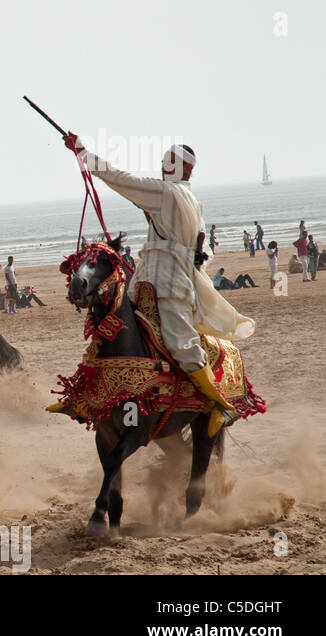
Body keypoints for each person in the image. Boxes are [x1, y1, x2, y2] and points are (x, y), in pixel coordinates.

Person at [63, 136, 254, 434]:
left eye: (171, 161)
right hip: (145, 280)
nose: (165, 165)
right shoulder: (188, 201)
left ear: (187, 170)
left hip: (169, 284)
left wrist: (84, 154)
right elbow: (202, 249)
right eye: (165, 159)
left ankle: (219, 406)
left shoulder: (169, 194)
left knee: (181, 344)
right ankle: (84, 398)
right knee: (110, 324)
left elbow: (120, 179)